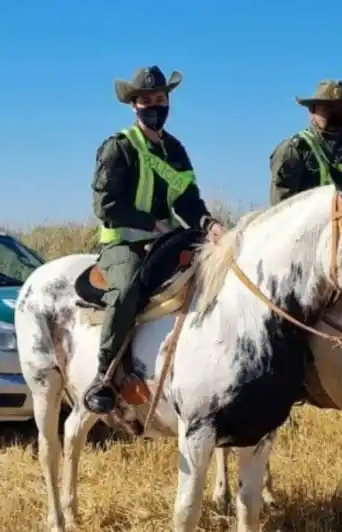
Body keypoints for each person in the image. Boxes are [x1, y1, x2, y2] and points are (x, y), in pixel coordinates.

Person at [85, 65, 224, 415]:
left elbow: (187, 200)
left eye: (160, 99)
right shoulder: (118, 148)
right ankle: (105, 373)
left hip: (164, 240)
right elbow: (106, 206)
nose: (154, 106)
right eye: (146, 100)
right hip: (123, 244)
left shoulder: (175, 150)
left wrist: (208, 224)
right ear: (134, 105)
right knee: (128, 289)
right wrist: (152, 224)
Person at [269, 80, 342, 205]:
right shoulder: (294, 149)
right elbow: (282, 208)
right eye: (329, 107)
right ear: (312, 110)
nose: (337, 113)